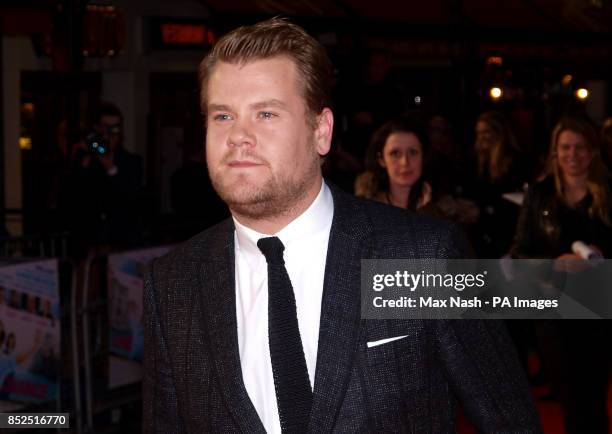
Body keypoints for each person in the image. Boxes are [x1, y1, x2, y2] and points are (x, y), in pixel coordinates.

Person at [143, 18, 540, 433]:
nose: (239, 136)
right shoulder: (173, 284)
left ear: (321, 131)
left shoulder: (423, 258)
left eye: (266, 113)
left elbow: (509, 420)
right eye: (223, 115)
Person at [512, 116, 612, 434]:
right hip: (554, 310)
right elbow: (519, 253)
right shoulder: (540, 194)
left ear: (593, 151)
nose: (573, 154)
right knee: (569, 399)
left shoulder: (609, 192)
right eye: (565, 147)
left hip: (600, 309)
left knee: (594, 398)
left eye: (581, 147)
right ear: (555, 152)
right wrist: (556, 263)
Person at [355, 116, 479, 223]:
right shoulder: (365, 211)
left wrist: (428, 213)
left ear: (424, 156)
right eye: (395, 153)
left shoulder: (445, 208)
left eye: (413, 152)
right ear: (381, 159)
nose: (405, 162)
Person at [67, 103, 143, 256]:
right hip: (89, 243)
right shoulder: (86, 159)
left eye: (115, 128)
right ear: (96, 129)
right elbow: (73, 196)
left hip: (120, 243)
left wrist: (110, 167)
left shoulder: (132, 161)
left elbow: (130, 197)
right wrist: (84, 159)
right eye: (105, 128)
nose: (109, 134)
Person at [464, 111, 527, 258]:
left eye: (487, 132)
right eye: (479, 133)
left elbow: (515, 200)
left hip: (505, 233)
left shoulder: (515, 162)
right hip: (480, 235)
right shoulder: (476, 163)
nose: (482, 137)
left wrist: (483, 211)